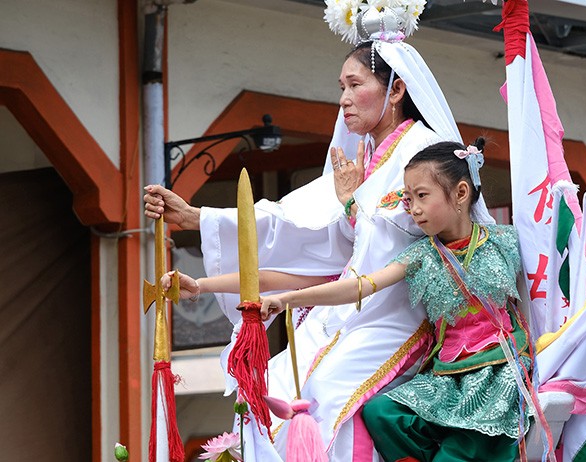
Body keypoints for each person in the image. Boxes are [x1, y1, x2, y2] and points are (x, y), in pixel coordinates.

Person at [145, 2, 495, 460]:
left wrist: (353, 201)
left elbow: (425, 239)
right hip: (348, 302)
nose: (344, 99)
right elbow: (293, 220)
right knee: (269, 381)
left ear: (395, 89)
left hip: (400, 309)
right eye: (341, 88)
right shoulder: (357, 159)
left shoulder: (425, 153)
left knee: (326, 390)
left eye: (355, 85)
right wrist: (198, 218)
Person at [258, 140, 533, 462]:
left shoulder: (507, 241)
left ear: (460, 193)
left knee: (459, 452)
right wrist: (289, 299)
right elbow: (360, 286)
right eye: (408, 197)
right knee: (381, 412)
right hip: (445, 375)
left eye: (422, 195)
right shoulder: (420, 255)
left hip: (498, 373)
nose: (413, 208)